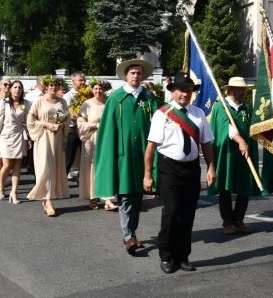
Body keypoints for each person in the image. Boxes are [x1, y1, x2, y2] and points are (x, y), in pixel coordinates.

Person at [143, 72, 216, 274]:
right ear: (173, 91)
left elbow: (207, 143)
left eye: (188, 90)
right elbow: (151, 147)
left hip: (192, 168)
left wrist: (211, 168)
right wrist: (147, 175)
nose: (185, 93)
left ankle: (183, 256)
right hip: (169, 168)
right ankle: (166, 256)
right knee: (172, 211)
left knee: (188, 214)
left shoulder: (199, 113)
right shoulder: (162, 114)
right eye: (181, 90)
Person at [94, 59, 160, 254]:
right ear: (126, 75)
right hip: (124, 156)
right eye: (132, 73)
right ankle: (129, 236)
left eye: (139, 73)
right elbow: (108, 132)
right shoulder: (116, 99)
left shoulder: (150, 99)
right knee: (125, 196)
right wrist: (111, 156)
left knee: (137, 196)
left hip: (143, 154)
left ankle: (132, 232)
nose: (136, 76)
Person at [208, 76, 260, 235]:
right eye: (240, 89)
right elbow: (226, 127)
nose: (243, 92)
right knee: (226, 186)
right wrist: (240, 140)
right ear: (230, 90)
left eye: (244, 89)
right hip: (228, 152)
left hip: (244, 152)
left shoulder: (246, 107)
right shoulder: (220, 106)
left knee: (245, 185)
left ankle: (239, 219)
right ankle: (227, 222)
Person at [26, 75, 70, 216]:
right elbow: (31, 120)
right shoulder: (39, 101)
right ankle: (47, 199)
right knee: (45, 167)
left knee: (54, 168)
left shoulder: (62, 101)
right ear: (46, 86)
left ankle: (48, 198)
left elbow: (68, 118)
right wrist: (46, 124)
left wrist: (62, 124)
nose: (53, 88)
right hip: (44, 137)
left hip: (57, 139)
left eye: (55, 85)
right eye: (51, 85)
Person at [76, 79, 115, 210]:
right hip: (91, 138)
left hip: (106, 138)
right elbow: (80, 122)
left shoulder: (109, 103)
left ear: (105, 90)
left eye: (100, 89)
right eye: (95, 89)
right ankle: (93, 197)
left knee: (105, 166)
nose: (98, 91)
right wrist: (94, 125)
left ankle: (107, 198)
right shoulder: (87, 104)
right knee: (92, 167)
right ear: (92, 90)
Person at [0, 80, 29, 204]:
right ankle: (0, 185)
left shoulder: (26, 103)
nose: (17, 90)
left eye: (19, 88)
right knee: (7, 164)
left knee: (18, 164)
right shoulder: (4, 103)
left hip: (20, 134)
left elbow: (29, 121)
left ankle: (14, 192)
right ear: (11, 89)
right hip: (6, 135)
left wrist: (28, 137)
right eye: (15, 87)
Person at [64, 71, 87, 180]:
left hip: (86, 129)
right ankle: (62, 179)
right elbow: (64, 112)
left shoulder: (88, 94)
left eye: (84, 80)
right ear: (73, 82)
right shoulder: (68, 96)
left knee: (86, 157)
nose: (83, 82)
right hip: (72, 129)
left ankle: (82, 179)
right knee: (69, 157)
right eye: (80, 80)